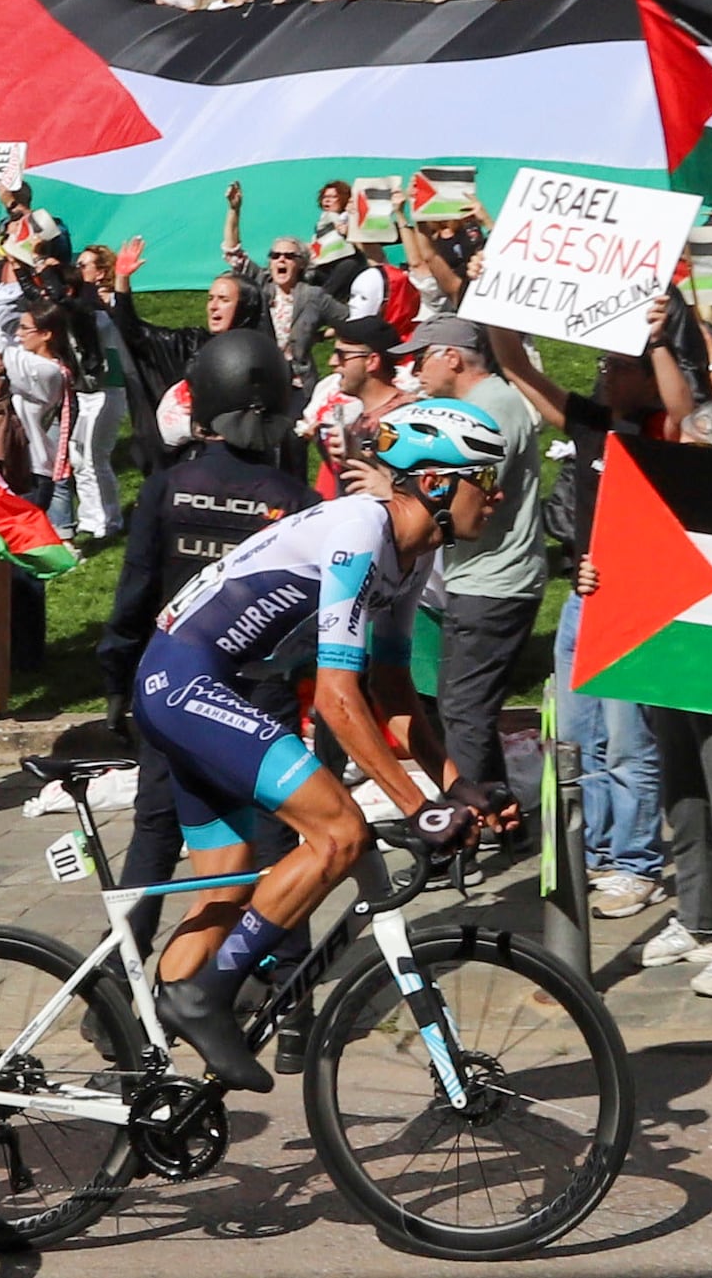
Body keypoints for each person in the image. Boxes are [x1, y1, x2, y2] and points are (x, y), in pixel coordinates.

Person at [127, 404, 504, 1092]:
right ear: (440, 485)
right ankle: (206, 997)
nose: (498, 493)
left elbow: (391, 692)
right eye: (487, 476)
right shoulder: (361, 528)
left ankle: (149, 1087)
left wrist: (457, 785)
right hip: (184, 678)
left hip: (201, 684)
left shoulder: (410, 553)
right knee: (339, 831)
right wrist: (417, 806)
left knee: (231, 875)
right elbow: (337, 698)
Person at [99, 329, 308, 909]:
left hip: (173, 686)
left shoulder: (167, 490)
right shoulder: (297, 501)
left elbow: (132, 601)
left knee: (155, 838)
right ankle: (283, 986)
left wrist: (118, 687)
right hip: (260, 694)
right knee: (275, 847)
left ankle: (119, 980)